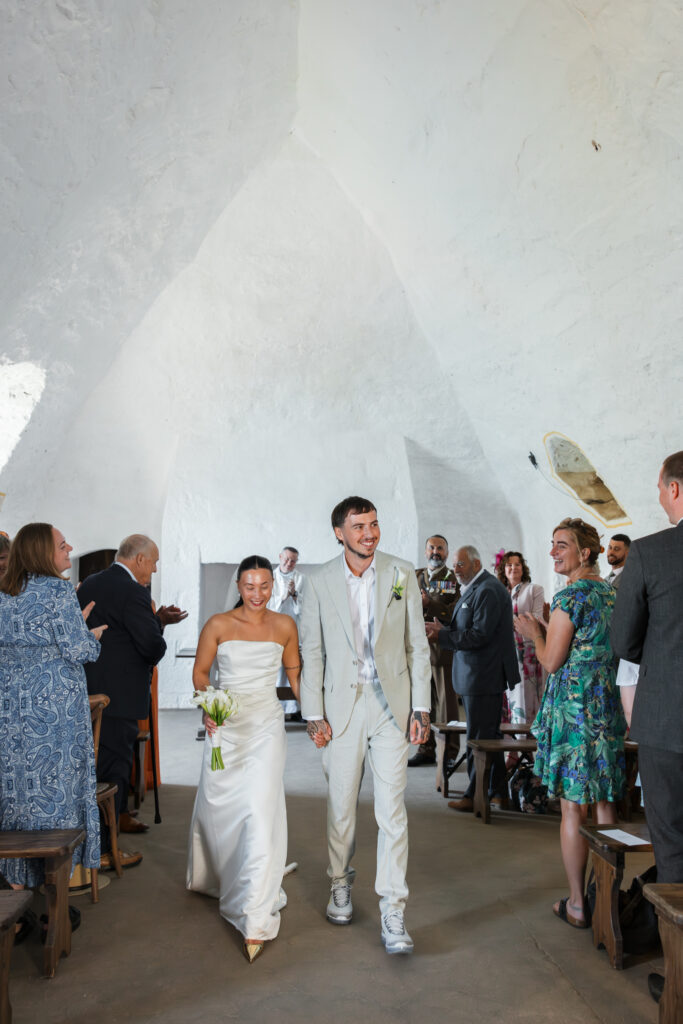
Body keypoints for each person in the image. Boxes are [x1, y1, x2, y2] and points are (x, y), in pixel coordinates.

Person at [299, 496, 431, 955]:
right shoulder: (316, 582)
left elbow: (417, 645)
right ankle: (340, 881)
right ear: (340, 532)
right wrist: (313, 712)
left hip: (391, 706)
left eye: (373, 524)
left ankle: (394, 908)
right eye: (358, 527)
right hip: (341, 709)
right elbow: (311, 652)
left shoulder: (401, 573)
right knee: (341, 809)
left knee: (392, 811)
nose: (369, 533)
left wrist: (422, 707)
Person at [186, 555, 300, 964]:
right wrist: (208, 704)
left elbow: (295, 674)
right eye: (250, 586)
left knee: (259, 807)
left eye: (265, 586)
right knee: (223, 805)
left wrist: (317, 717)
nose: (257, 594)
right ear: (239, 585)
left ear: (274, 585)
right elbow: (201, 673)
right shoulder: (218, 624)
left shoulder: (285, 625)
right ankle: (221, 871)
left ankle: (254, 915)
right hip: (226, 722)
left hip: (266, 724)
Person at [515, 517, 626, 929]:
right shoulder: (610, 593)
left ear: (586, 552)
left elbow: (551, 660)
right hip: (605, 703)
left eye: (562, 545)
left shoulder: (570, 597)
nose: (553, 551)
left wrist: (532, 633)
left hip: (575, 710)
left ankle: (579, 904)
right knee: (605, 803)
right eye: (552, 544)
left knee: (572, 809)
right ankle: (608, 900)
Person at [0, 523, 106, 936]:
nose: (70, 549)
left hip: (11, 713)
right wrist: (91, 635)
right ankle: (52, 900)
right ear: (44, 552)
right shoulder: (57, 591)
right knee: (57, 793)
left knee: (17, 794)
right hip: (55, 715)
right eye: (63, 546)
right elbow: (79, 649)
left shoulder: (4, 594)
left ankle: (14, 890)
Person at [611, 451, 683, 1006]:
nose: (659, 497)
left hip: (669, 723)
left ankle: (681, 979)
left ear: (675, 490)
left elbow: (624, 641)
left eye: (660, 489)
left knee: (674, 849)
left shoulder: (653, 553)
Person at [78, 535, 186, 863]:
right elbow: (151, 646)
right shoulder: (135, 592)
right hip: (119, 696)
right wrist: (159, 630)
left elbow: (117, 631)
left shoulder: (90, 584)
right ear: (139, 560)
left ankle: (117, 820)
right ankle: (107, 851)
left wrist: (156, 620)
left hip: (89, 690)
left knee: (100, 766)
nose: (153, 570)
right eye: (153, 563)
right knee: (114, 768)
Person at [426, 546, 520, 813]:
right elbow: (469, 627)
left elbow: (480, 635)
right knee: (488, 736)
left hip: (483, 674)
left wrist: (443, 636)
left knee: (479, 739)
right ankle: (499, 792)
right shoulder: (476, 588)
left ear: (476, 564)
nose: (455, 569)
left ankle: (473, 794)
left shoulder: (488, 590)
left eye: (460, 564)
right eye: (455, 565)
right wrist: (443, 629)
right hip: (476, 674)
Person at [409, 535, 460, 768]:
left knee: (446, 704)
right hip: (418, 651)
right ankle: (426, 748)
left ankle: (449, 752)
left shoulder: (454, 579)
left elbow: (456, 613)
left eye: (440, 548)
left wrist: (430, 605)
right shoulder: (414, 576)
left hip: (443, 651)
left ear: (447, 553)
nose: (435, 552)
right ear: (425, 551)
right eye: (432, 547)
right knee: (422, 702)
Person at [496, 551, 545, 727]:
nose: (513, 568)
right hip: (502, 652)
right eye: (509, 565)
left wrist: (506, 622)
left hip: (526, 653)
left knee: (526, 697)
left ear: (523, 568)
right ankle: (511, 750)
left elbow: (537, 618)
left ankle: (527, 745)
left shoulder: (534, 590)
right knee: (505, 698)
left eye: (517, 564)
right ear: (503, 569)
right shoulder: (498, 590)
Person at [267, 546, 304, 718]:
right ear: (280, 556)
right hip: (273, 629)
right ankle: (275, 709)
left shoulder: (301, 578)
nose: (289, 563)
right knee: (275, 670)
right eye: (287, 559)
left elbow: (304, 607)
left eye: (293, 561)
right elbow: (267, 605)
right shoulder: (269, 578)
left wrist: (295, 595)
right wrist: (283, 597)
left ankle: (293, 709)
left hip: (292, 629)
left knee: (293, 668)